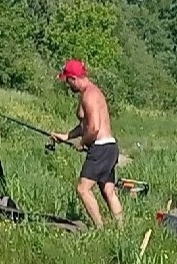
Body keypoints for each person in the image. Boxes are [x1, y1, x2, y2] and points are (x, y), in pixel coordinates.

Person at [51, 59, 124, 229]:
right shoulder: (93, 92)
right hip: (110, 147)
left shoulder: (89, 96)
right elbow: (85, 125)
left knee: (83, 189)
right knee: (108, 191)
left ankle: (100, 228)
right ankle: (121, 230)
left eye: (68, 81)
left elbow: (94, 128)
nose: (68, 85)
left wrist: (82, 143)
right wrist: (66, 136)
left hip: (101, 148)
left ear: (74, 78)